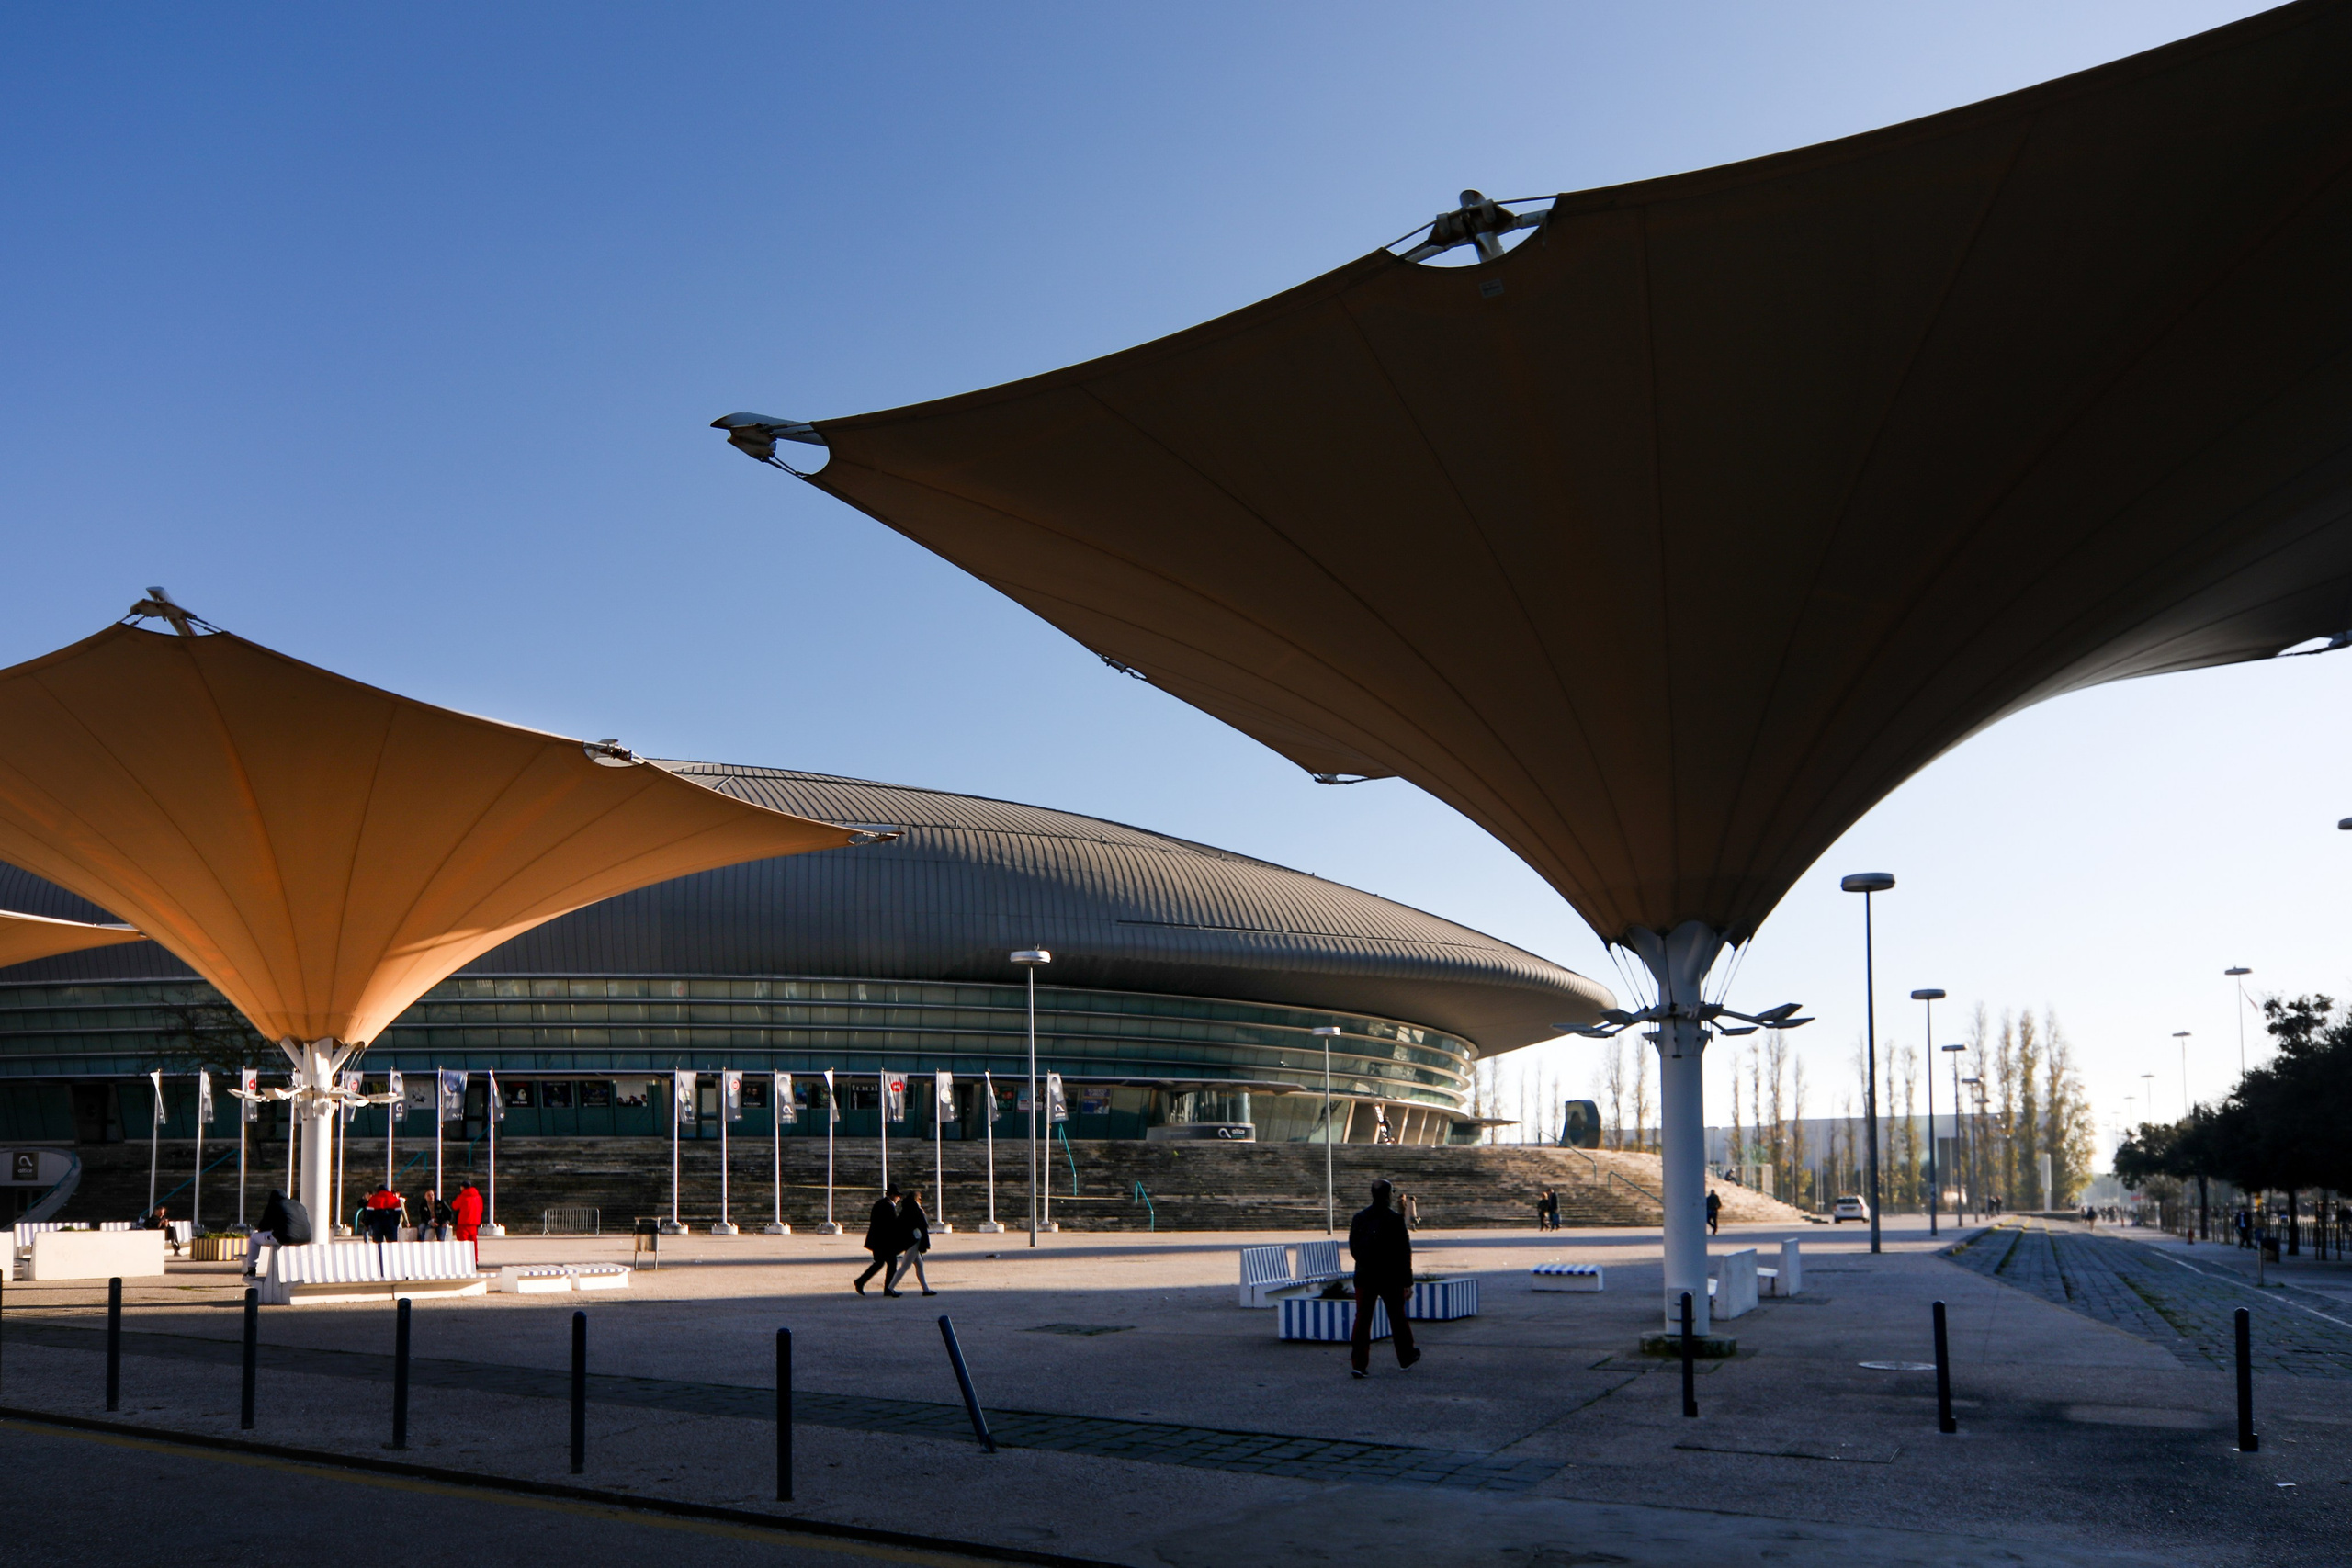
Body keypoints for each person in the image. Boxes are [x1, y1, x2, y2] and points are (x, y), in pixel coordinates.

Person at [1346, 1179, 1419, 1378]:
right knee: (1397, 1318)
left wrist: (1365, 1262)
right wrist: (1407, 1282)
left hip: (1365, 1275)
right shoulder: (1395, 1220)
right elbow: (1404, 1252)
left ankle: (1359, 1364)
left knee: (1362, 1320)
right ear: (1389, 1196)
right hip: (1390, 1277)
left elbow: (1354, 1247)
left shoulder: (1360, 1218)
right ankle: (1406, 1356)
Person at [854, 1183, 904, 1296]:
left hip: (877, 1240)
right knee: (892, 1264)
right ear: (892, 1195)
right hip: (884, 1242)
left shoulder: (880, 1203)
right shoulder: (888, 1206)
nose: (899, 1198)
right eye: (897, 1195)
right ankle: (888, 1289)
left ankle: (861, 1281)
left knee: (879, 1263)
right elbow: (892, 1225)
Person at [888, 1187, 938, 1296]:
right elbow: (922, 1226)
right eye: (919, 1198)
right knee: (905, 1266)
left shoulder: (907, 1208)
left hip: (911, 1240)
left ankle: (926, 1289)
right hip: (914, 1240)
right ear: (916, 1199)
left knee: (919, 1265)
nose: (920, 1200)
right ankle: (890, 1288)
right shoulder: (915, 1209)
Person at [452, 1182, 485, 1263]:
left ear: (463, 1187)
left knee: (463, 1244)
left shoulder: (462, 1197)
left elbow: (454, 1206)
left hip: (463, 1223)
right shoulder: (478, 1197)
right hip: (474, 1223)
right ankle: (474, 1261)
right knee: (473, 1244)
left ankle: (464, 1262)